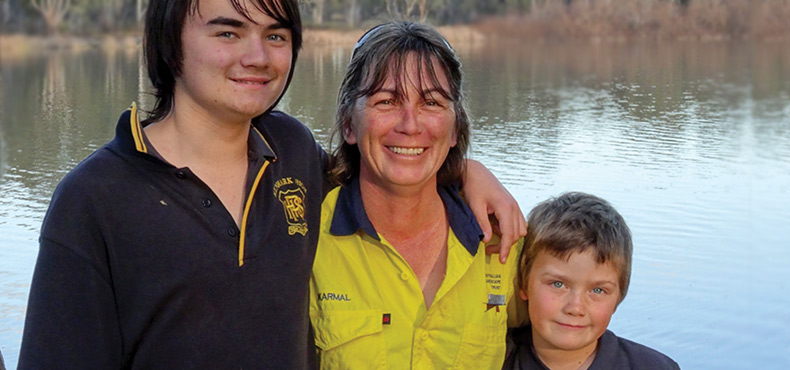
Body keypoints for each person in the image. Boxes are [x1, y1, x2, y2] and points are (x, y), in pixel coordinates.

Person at [17, 1, 522, 368]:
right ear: (171, 42)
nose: (258, 56)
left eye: (276, 36)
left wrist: (465, 170)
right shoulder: (95, 198)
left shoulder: (292, 153)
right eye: (228, 32)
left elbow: (393, 166)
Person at [309, 21, 526, 369]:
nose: (410, 124)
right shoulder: (305, 241)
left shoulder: (502, 241)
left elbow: (567, 346)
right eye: (387, 100)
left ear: (455, 129)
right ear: (349, 124)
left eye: (431, 102)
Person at [504, 192, 679, 370]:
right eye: (558, 284)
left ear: (618, 296)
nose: (575, 308)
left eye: (598, 290)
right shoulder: (489, 360)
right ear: (524, 283)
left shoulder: (655, 367)